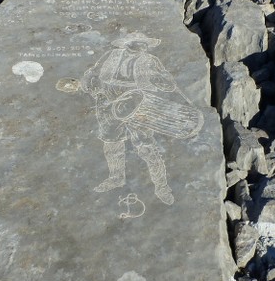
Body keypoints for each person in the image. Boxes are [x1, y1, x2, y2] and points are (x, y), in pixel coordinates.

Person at [80, 32, 202, 205]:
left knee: (145, 145)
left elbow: (168, 84)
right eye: (139, 44)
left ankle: (161, 187)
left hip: (136, 103)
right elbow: (93, 73)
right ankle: (116, 178)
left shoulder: (150, 60)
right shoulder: (111, 55)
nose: (143, 48)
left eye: (145, 45)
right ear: (128, 44)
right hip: (108, 103)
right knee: (111, 141)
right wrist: (90, 84)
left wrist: (165, 83)